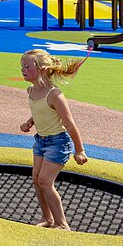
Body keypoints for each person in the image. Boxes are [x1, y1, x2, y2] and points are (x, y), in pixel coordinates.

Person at [18, 49, 88, 230]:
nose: (23, 69)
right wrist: (29, 122)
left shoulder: (55, 95)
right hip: (41, 141)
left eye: (27, 66)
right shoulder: (31, 90)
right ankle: (47, 218)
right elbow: (42, 111)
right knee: (36, 178)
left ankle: (62, 224)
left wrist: (79, 150)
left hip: (58, 143)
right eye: (22, 66)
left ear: (42, 69)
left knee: (45, 181)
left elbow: (69, 123)